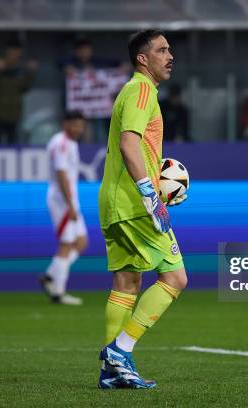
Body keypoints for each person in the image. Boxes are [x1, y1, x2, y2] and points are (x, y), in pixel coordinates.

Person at [97, 30, 188, 389]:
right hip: (135, 204)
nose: (170, 55)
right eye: (162, 50)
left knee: (126, 281)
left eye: (170, 50)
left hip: (114, 200)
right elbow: (128, 143)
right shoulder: (141, 89)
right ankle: (120, 351)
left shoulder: (133, 90)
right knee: (175, 278)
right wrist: (150, 192)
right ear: (142, 58)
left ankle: (111, 372)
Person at [38, 111, 88, 305]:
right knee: (67, 243)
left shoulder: (71, 144)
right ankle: (58, 292)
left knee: (81, 242)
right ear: (65, 123)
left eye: (80, 125)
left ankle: (50, 276)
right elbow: (61, 176)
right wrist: (70, 205)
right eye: (74, 124)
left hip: (69, 199)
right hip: (61, 200)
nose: (78, 129)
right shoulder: (60, 144)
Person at [0, 39, 38, 145]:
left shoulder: (22, 69)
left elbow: (25, 87)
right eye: (12, 51)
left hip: (14, 114)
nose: (14, 54)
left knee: (13, 144)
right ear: (7, 51)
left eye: (17, 51)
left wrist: (31, 73)